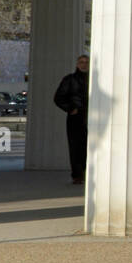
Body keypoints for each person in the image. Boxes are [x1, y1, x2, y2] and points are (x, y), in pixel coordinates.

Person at [54, 54, 89, 185]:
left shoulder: (94, 79)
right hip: (76, 116)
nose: (84, 64)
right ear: (77, 64)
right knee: (75, 146)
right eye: (81, 62)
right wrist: (70, 109)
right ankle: (77, 175)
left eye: (86, 62)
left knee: (89, 145)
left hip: (91, 116)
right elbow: (58, 98)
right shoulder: (69, 79)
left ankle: (87, 172)